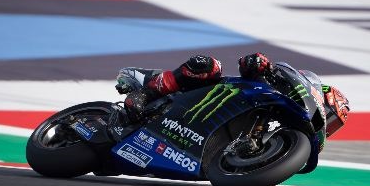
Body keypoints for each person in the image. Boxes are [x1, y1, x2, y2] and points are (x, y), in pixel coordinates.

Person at [115, 53, 350, 140]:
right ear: (321, 97)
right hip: (205, 94)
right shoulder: (279, 83)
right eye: (330, 118)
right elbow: (249, 65)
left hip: (203, 128)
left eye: (333, 126)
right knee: (209, 65)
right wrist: (260, 63)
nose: (328, 126)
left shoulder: (284, 133)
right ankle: (145, 94)